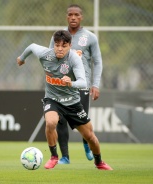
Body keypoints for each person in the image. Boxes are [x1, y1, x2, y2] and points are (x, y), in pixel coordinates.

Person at [17, 30, 112, 170]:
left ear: (70, 46)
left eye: (64, 45)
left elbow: (83, 83)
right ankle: (54, 156)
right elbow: (31, 46)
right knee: (50, 122)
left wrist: (71, 83)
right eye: (57, 45)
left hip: (72, 103)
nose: (60, 49)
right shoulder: (45, 54)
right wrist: (22, 58)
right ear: (53, 45)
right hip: (52, 99)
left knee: (90, 136)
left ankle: (99, 162)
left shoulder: (74, 59)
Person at [49, 4, 103, 164]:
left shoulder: (90, 37)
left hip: (81, 85)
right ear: (67, 16)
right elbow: (49, 57)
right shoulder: (58, 36)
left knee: (82, 120)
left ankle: (87, 143)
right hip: (60, 85)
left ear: (81, 17)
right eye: (70, 14)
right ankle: (65, 156)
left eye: (76, 15)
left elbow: (98, 62)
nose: (73, 17)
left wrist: (96, 84)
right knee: (60, 120)